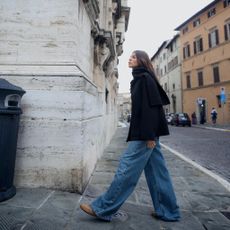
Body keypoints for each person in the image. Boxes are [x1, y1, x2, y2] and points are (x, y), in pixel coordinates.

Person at [80, 50, 180, 222]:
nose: (130, 59)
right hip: (148, 134)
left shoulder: (144, 79)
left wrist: (149, 136)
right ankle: (168, 211)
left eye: (134, 57)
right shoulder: (142, 78)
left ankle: (103, 208)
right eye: (131, 56)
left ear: (142, 61)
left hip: (145, 135)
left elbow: (151, 109)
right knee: (158, 173)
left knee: (126, 170)